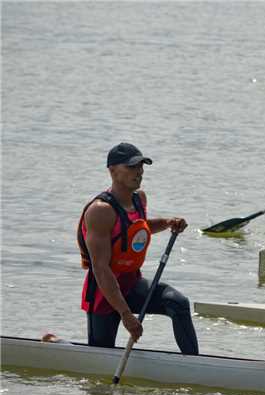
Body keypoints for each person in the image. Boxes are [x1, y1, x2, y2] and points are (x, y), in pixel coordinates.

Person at [77, 143, 199, 353]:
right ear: (113, 170)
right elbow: (100, 268)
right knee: (101, 356)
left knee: (178, 303)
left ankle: (195, 367)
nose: (139, 172)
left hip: (131, 283)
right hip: (104, 292)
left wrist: (169, 222)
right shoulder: (100, 211)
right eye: (132, 167)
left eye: (141, 166)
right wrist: (126, 314)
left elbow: (136, 229)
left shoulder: (139, 199)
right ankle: (55, 343)